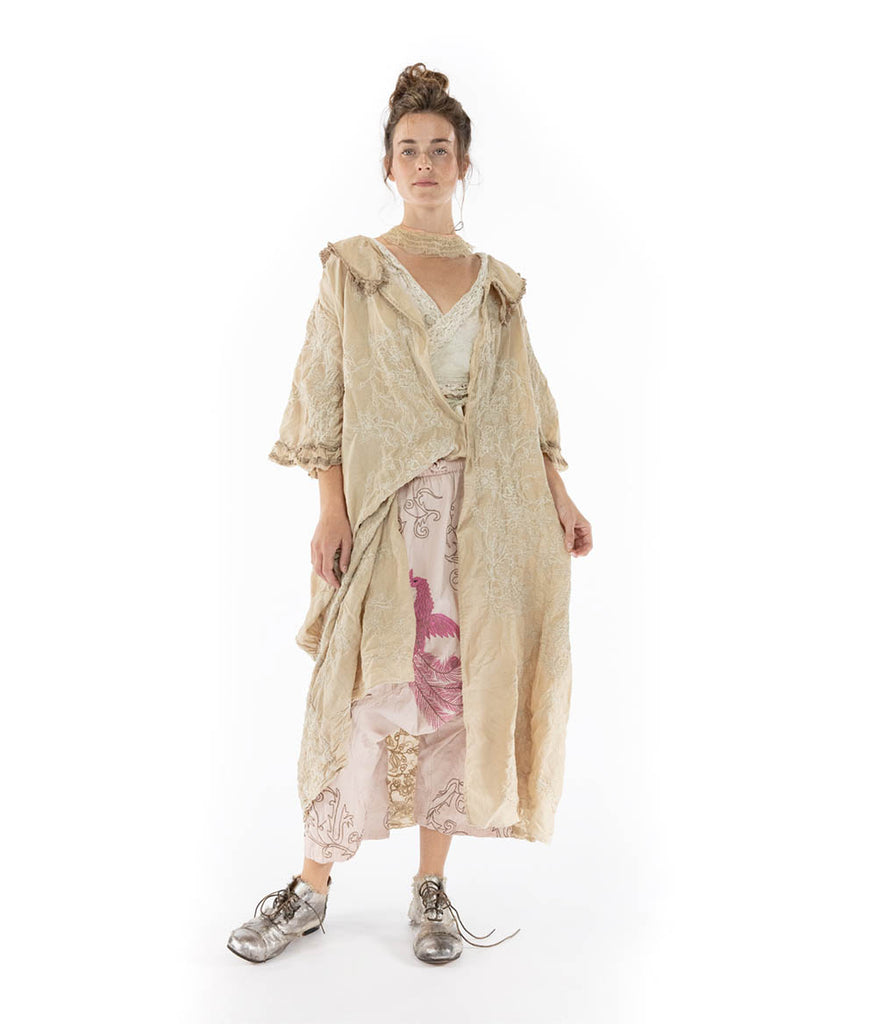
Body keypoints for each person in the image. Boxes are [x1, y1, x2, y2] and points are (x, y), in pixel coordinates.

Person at [227, 62, 593, 967]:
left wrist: (558, 493)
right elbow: (323, 390)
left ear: (462, 164)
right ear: (388, 165)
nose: (424, 163)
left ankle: (431, 889)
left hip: (495, 519)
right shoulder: (354, 272)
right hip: (392, 514)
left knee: (457, 700)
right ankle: (310, 889)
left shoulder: (496, 285)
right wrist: (329, 507)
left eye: (439, 149)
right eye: (408, 150)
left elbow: (527, 402)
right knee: (358, 697)